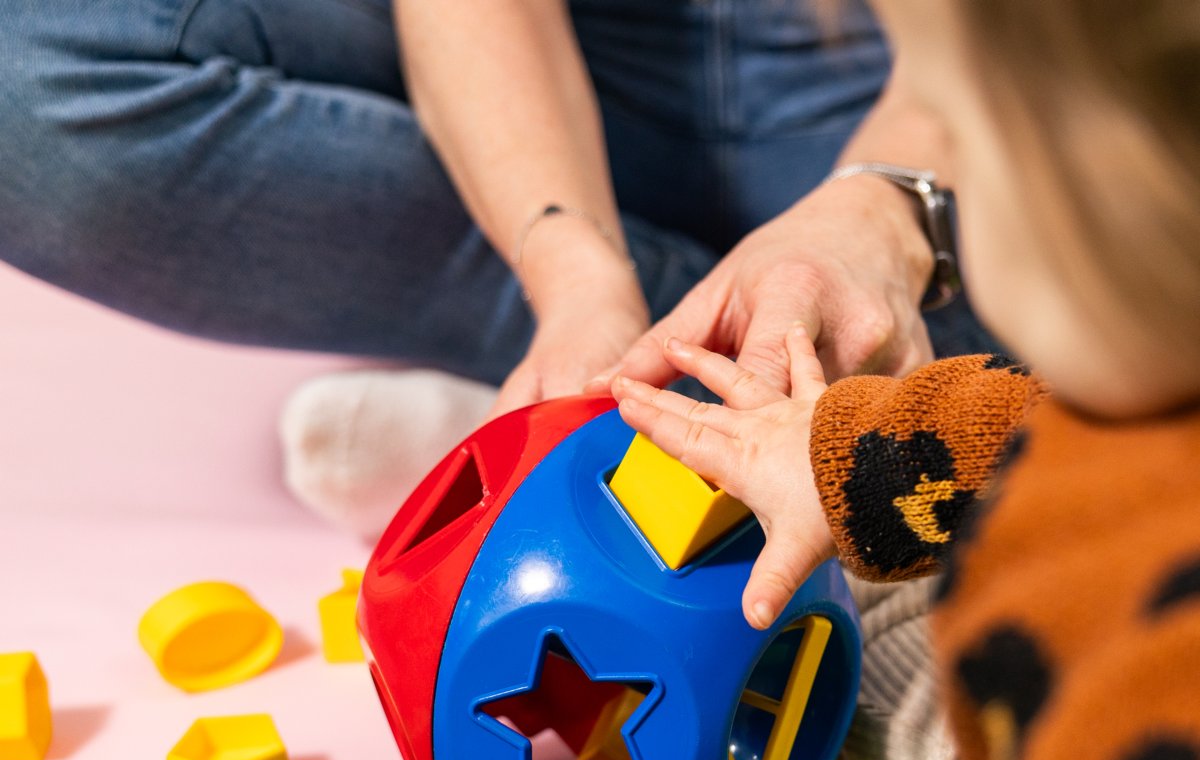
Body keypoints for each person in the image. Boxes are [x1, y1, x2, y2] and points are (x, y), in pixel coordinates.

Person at [39, 0, 1200, 760]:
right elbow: (1072, 459)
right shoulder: (1137, 425)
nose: (959, 219)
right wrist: (849, 448)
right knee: (969, 617)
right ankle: (676, 466)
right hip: (1083, 748)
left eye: (965, 143)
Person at [0, 0, 995, 539]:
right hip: (603, 49)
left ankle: (687, 397)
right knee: (29, 82)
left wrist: (882, 213)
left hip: (939, 71)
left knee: (1115, 295)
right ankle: (621, 396)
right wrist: (570, 270)